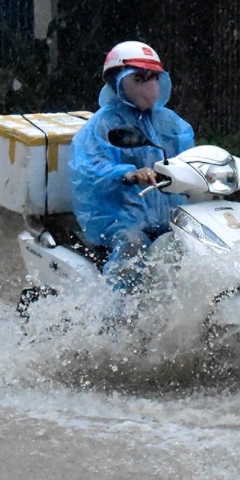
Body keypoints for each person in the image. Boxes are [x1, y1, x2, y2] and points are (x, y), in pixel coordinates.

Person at [68, 40, 196, 292]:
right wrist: (127, 174)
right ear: (117, 83)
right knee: (133, 243)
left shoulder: (171, 123)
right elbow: (89, 169)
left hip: (167, 215)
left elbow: (193, 158)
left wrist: (232, 166)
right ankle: (116, 316)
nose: (149, 86)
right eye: (139, 78)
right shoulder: (103, 125)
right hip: (118, 217)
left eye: (153, 78)